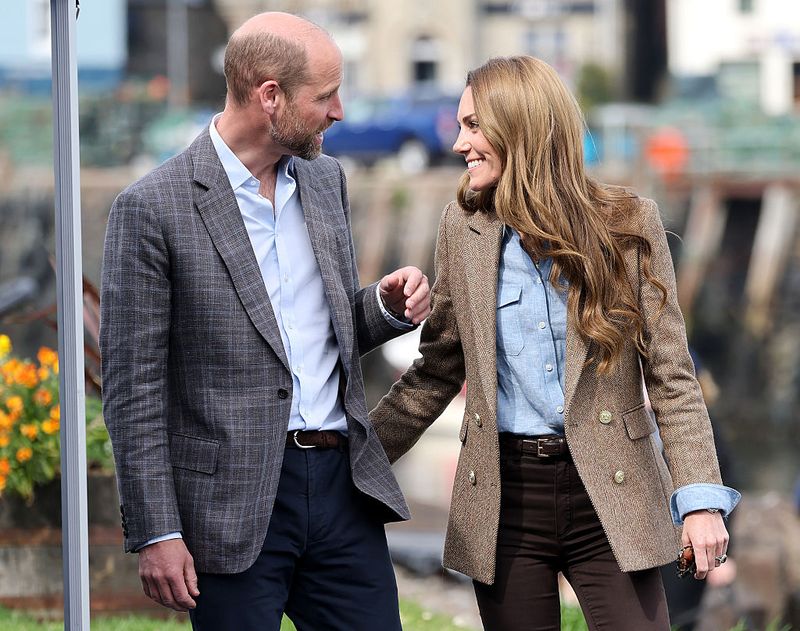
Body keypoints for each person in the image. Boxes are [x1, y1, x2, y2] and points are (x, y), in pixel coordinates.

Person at [370, 55, 740, 631]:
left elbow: (672, 377)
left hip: (613, 492)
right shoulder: (462, 229)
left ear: (520, 128)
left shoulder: (629, 226)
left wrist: (700, 500)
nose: (458, 143)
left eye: (473, 126)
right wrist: (352, 463)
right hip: (504, 501)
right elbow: (436, 372)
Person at [100, 12, 430, 631]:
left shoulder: (326, 179)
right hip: (229, 503)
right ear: (269, 95)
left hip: (341, 487)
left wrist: (381, 308)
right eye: (325, 95)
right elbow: (132, 390)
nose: (339, 111)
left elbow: (307, 334)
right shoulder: (150, 209)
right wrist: (157, 530)